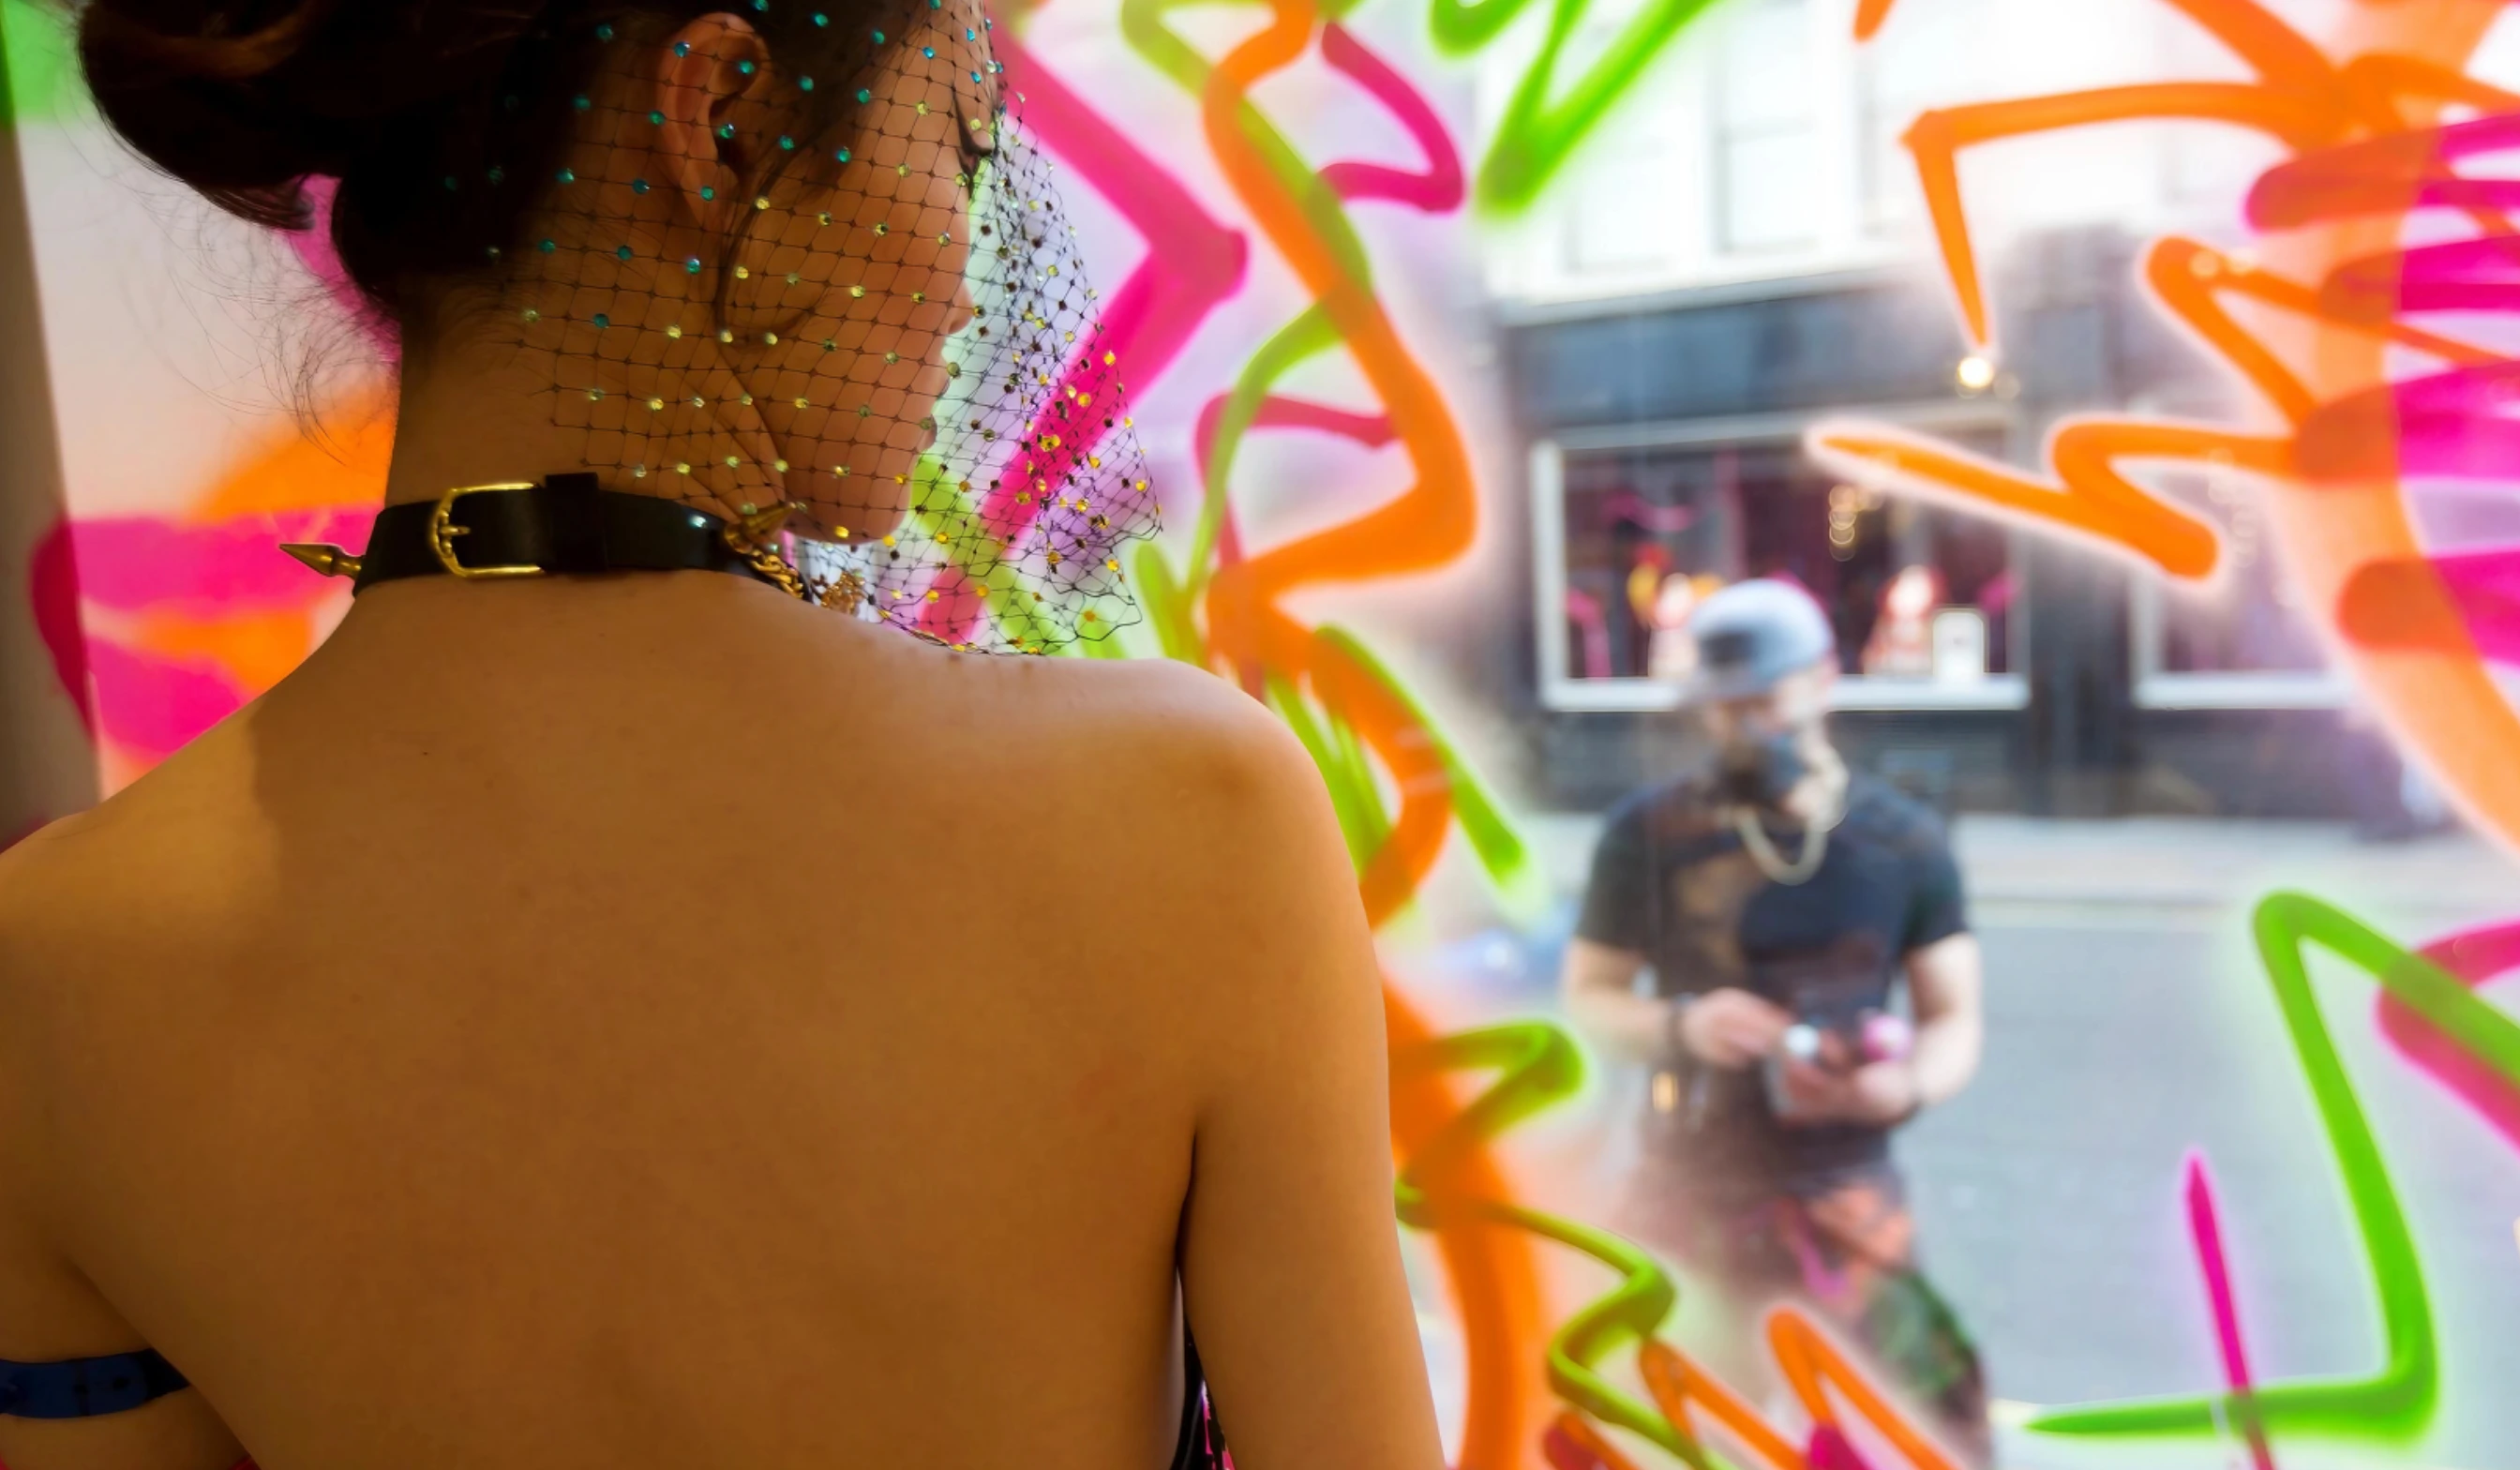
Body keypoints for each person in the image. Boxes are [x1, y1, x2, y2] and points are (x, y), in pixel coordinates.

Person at [0, 0, 1441, 1465]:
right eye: (959, 145)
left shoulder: (49, 964)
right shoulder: (1183, 815)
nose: (966, 279)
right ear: (725, 117)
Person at [1559, 578, 1993, 1462]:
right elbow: (1590, 998)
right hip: (1689, 1183)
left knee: (1936, 1430)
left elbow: (1954, 1017)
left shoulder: (1902, 840)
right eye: (1721, 708)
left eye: (1761, 701)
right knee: (1649, 1436)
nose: (1741, 728)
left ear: (1823, 680)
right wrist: (1685, 1026)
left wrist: (1904, 1086)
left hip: (1844, 1188)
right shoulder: (1647, 835)